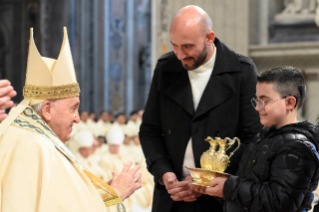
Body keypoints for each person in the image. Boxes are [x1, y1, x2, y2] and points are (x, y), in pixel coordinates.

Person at [0, 27, 141, 212]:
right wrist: (115, 194)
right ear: (48, 109)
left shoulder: (21, 134)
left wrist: (98, 195)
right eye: (73, 108)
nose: (77, 118)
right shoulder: (37, 146)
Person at [139, 5, 262, 212]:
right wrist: (164, 174)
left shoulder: (241, 71)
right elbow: (149, 130)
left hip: (221, 199)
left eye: (187, 46)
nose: (179, 55)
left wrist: (204, 181)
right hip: (172, 197)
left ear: (209, 38)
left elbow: (253, 137)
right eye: (174, 46)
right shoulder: (165, 68)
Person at [191, 66, 319, 211]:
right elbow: (246, 197)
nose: (258, 107)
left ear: (289, 103)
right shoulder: (260, 138)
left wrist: (229, 187)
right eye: (256, 101)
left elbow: (280, 202)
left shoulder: (298, 147)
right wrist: (212, 186)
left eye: (265, 101)